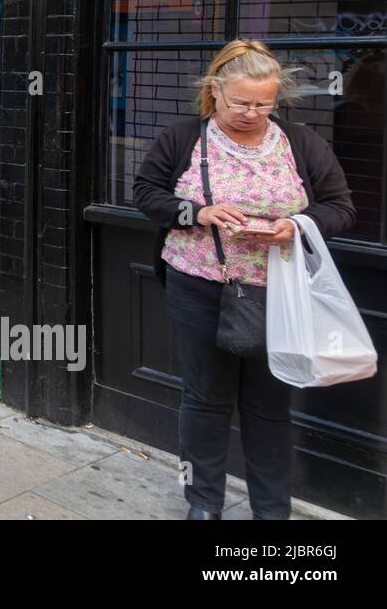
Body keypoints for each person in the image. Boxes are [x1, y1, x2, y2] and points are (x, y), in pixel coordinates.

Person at [134, 39, 355, 520]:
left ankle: (272, 512)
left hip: (277, 294)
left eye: (264, 103)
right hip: (196, 286)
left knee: (269, 406)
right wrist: (197, 211)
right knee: (205, 399)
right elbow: (147, 194)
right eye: (241, 102)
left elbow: (341, 208)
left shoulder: (302, 143)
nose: (252, 112)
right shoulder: (183, 138)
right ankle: (203, 504)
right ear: (215, 91)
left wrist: (295, 226)